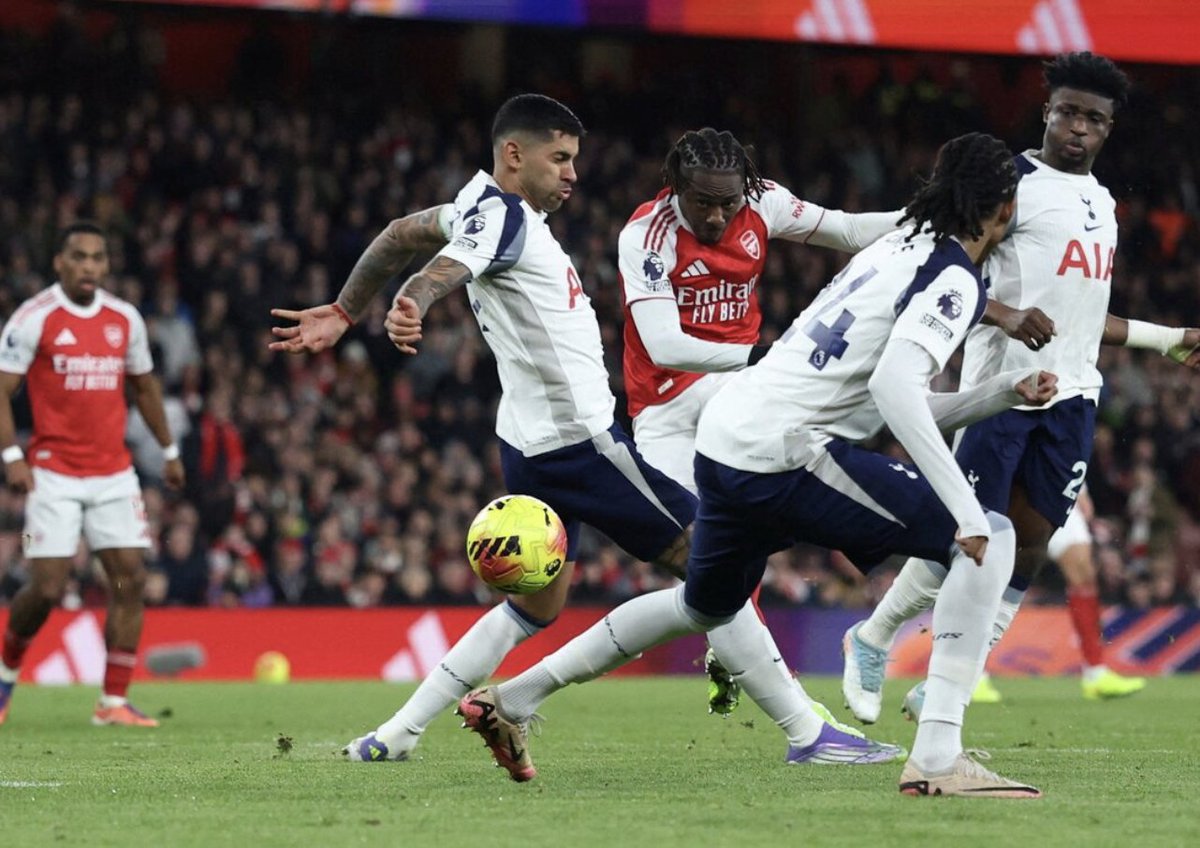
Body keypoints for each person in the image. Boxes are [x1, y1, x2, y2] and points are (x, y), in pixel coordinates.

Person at [273, 97, 897, 766]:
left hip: (528, 447)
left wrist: (345, 309)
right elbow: (438, 268)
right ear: (514, 155)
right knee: (716, 563)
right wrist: (412, 301)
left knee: (533, 610)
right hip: (582, 444)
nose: (573, 175)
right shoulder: (504, 218)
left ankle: (396, 734)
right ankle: (809, 734)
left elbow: (401, 233)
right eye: (560, 158)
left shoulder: (474, 207)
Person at [458, 132, 1056, 798]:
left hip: (726, 439)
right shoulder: (951, 275)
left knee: (703, 605)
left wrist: (1001, 393)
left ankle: (515, 698)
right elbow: (894, 393)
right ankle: (938, 752)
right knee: (991, 540)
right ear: (1002, 211)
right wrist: (964, 508)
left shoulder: (895, 248)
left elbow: (888, 401)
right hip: (782, 452)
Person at [842, 52, 1198, 725]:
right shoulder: (1010, 185)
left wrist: (1167, 337)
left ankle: (954, 680)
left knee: (1030, 547)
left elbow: (1088, 320)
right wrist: (1002, 314)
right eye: (1067, 112)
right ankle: (874, 637)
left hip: (1074, 396)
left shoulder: (1103, 204)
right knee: (973, 537)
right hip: (1001, 390)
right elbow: (942, 272)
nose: (1077, 128)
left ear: (1109, 128)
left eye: (1093, 119)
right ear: (1046, 112)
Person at [618, 127, 905, 752]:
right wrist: (765, 354)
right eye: (703, 203)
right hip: (667, 412)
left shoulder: (765, 202)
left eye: (728, 202)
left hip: (737, 397)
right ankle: (800, 719)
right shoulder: (645, 236)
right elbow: (664, 345)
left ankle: (756, 674)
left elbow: (850, 231)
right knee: (704, 559)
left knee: (769, 519)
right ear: (675, 189)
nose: (718, 215)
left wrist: (926, 221)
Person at [0, 221, 186, 727]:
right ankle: (5, 674)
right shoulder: (34, 318)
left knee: (130, 579)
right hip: (52, 472)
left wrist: (168, 449)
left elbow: (144, 388)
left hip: (113, 473)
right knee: (47, 589)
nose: (89, 266)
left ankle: (112, 702)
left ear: (107, 265)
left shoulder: (124, 319)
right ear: (59, 262)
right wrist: (11, 457)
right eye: (79, 257)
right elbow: (2, 388)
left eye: (98, 258)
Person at [938, 486, 1144, 711]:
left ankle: (1096, 673)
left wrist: (1081, 487)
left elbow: (1071, 448)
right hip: (1011, 487)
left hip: (1056, 486)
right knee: (991, 573)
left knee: (1083, 571)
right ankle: (972, 674)